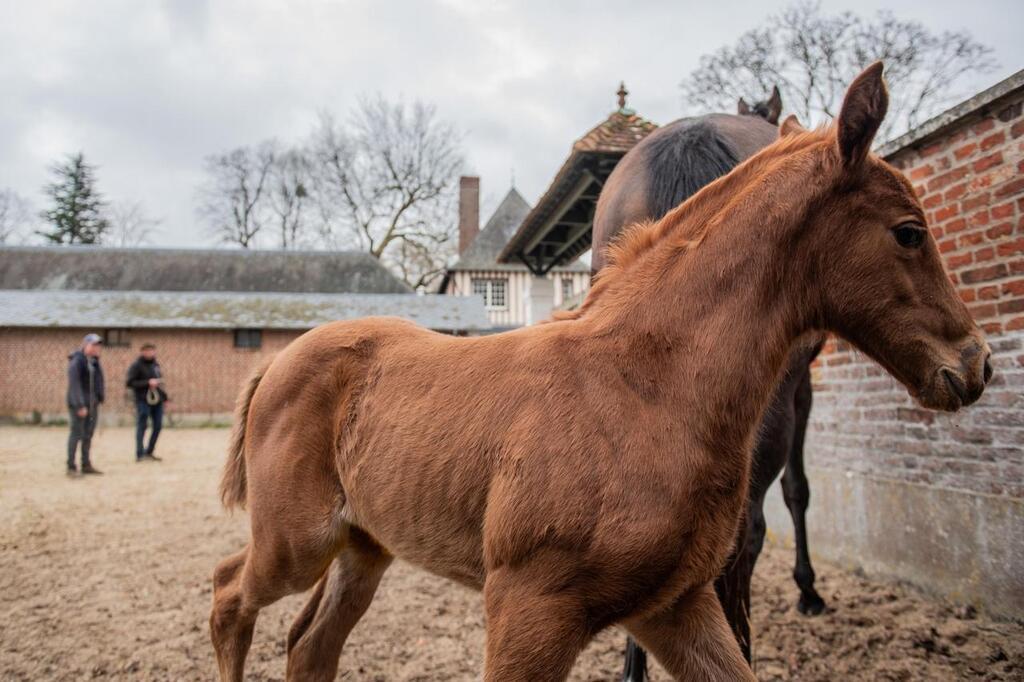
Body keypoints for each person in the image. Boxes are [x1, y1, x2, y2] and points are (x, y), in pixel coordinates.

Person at [67, 333, 105, 476]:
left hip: (92, 404)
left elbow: (98, 381)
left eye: (98, 345)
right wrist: (79, 405)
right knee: (76, 434)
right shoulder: (77, 361)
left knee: (88, 435)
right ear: (85, 345)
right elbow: (74, 385)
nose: (96, 348)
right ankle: (71, 467)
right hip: (80, 405)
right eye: (93, 345)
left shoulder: (94, 362)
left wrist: (100, 397)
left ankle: (86, 464)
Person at [126, 342, 168, 462]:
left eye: (152, 350)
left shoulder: (155, 365)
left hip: (157, 401)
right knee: (142, 426)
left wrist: (164, 398)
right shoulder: (136, 366)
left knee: (158, 426)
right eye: (147, 351)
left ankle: (149, 451)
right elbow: (130, 383)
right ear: (142, 352)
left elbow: (159, 383)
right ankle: (140, 453)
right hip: (143, 400)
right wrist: (147, 382)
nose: (150, 353)